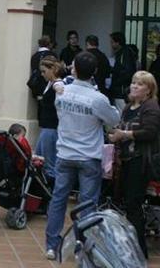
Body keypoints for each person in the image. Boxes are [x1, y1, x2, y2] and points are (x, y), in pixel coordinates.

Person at [44, 52, 121, 260]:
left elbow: (58, 102)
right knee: (87, 204)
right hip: (89, 156)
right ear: (95, 72)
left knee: (58, 199)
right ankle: (82, 247)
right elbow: (114, 119)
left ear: (74, 69)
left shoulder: (62, 92)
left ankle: (52, 245)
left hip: (65, 154)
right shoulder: (97, 98)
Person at [107, 71, 160, 259]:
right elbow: (123, 128)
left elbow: (150, 132)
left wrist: (125, 135)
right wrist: (115, 136)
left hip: (140, 161)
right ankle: (129, 246)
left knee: (134, 204)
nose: (134, 86)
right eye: (133, 83)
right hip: (126, 160)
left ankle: (138, 250)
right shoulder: (128, 107)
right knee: (127, 203)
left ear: (149, 90)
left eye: (140, 84)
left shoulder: (151, 107)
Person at [36, 57, 63, 180]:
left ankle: (52, 192)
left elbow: (59, 90)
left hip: (51, 128)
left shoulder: (57, 84)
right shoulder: (50, 84)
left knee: (49, 163)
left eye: (44, 71)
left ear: (52, 69)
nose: (42, 74)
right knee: (40, 159)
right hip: (46, 127)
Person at [109, 32, 137, 111]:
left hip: (121, 90)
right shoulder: (123, 53)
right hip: (121, 89)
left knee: (122, 113)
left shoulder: (124, 54)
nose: (111, 45)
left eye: (112, 42)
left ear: (117, 42)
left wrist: (116, 82)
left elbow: (127, 72)